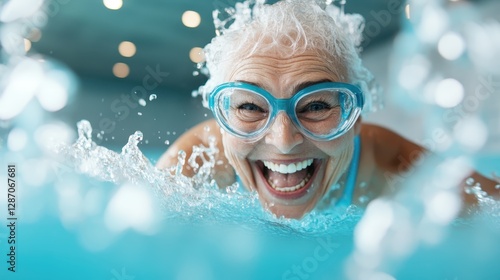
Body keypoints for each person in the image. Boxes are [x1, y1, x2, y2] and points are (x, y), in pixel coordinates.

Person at [157, 0, 499, 219]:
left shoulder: (393, 167)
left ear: (354, 120)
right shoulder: (193, 168)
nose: (284, 140)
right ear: (223, 119)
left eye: (316, 105)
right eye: (250, 106)